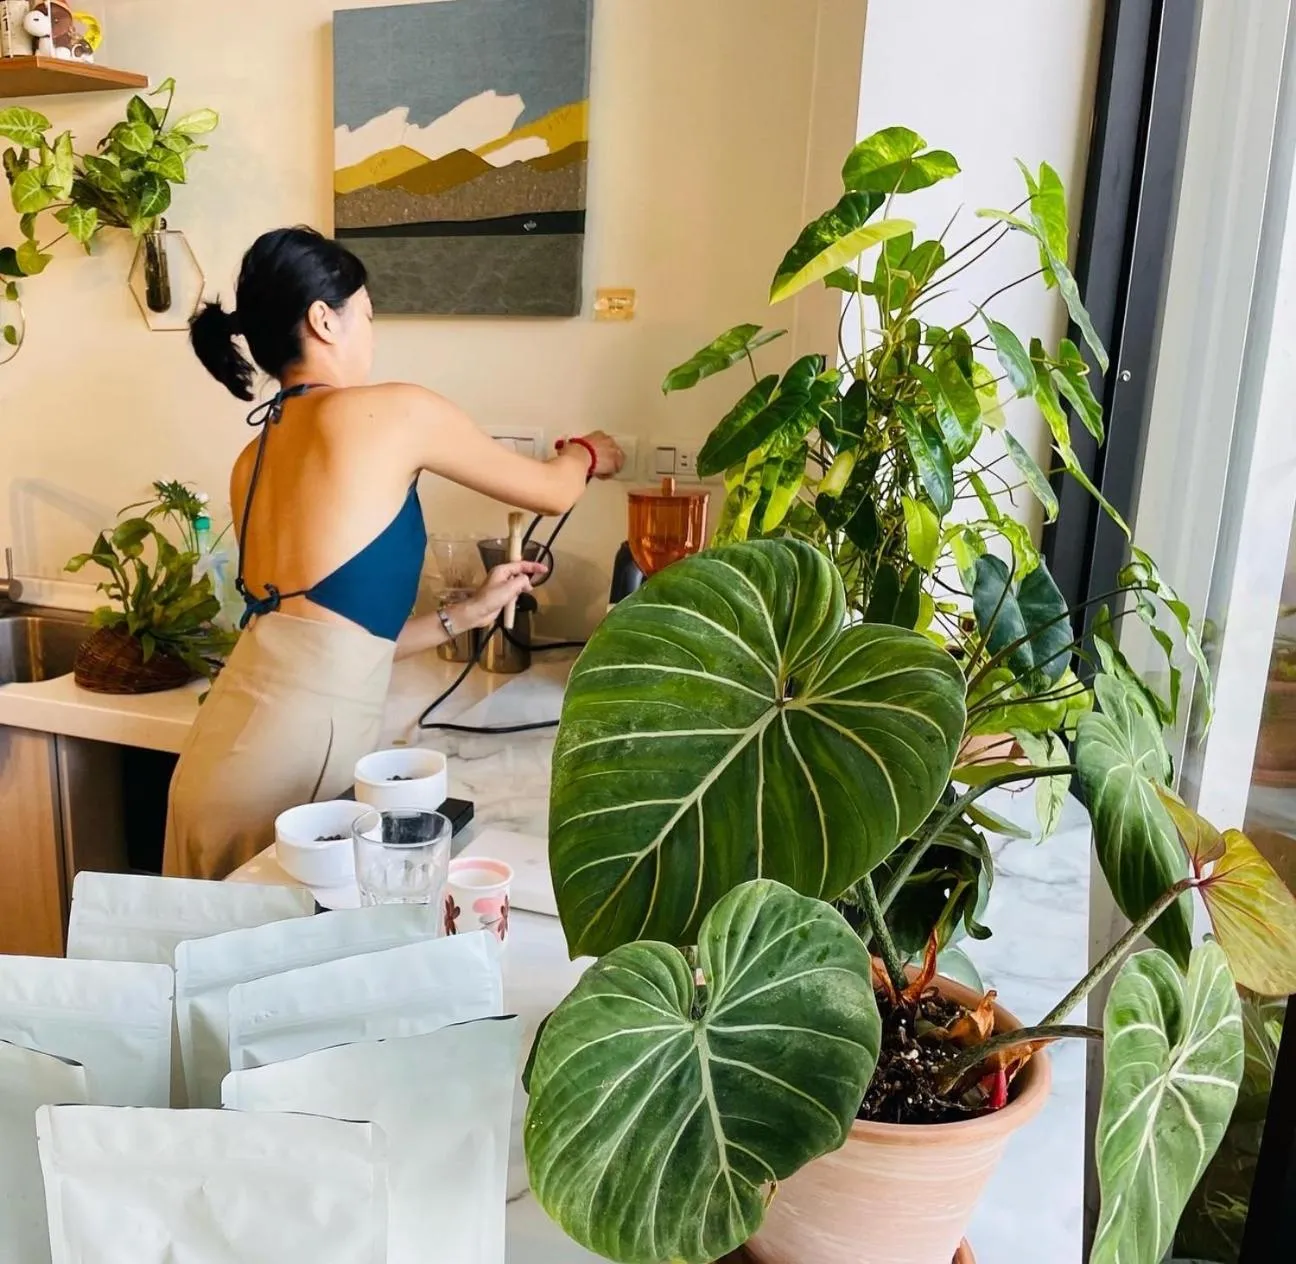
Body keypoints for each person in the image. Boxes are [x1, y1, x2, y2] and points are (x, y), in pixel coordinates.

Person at [165, 226, 623, 879]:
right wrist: (589, 452)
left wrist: (466, 614)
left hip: (221, 758)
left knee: (207, 970)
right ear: (325, 320)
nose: (373, 338)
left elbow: (326, 640)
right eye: (368, 317)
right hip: (290, 767)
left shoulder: (254, 458)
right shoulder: (395, 411)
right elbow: (552, 491)